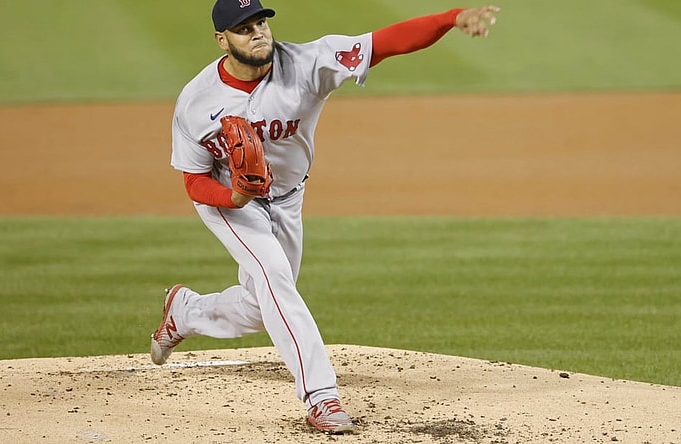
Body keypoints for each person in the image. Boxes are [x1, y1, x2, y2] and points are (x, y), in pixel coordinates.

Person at [150, 0, 500, 434]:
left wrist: (450, 18)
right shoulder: (196, 101)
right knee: (274, 274)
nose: (258, 32)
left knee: (262, 306)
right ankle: (321, 396)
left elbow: (384, 43)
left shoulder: (307, 64)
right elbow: (193, 180)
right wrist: (234, 196)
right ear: (222, 40)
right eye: (244, 28)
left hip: (289, 199)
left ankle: (185, 312)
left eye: (261, 22)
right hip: (229, 205)